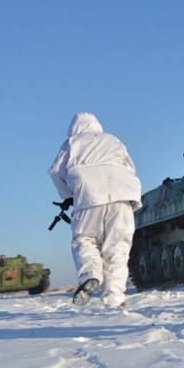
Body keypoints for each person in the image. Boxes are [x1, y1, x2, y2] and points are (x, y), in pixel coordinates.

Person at [49, 113, 142, 307]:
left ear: (74, 129)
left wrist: (68, 195)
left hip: (88, 194)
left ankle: (90, 275)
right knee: (118, 248)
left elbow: (56, 172)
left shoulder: (72, 143)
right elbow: (129, 166)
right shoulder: (113, 140)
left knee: (84, 239)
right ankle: (114, 298)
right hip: (122, 194)